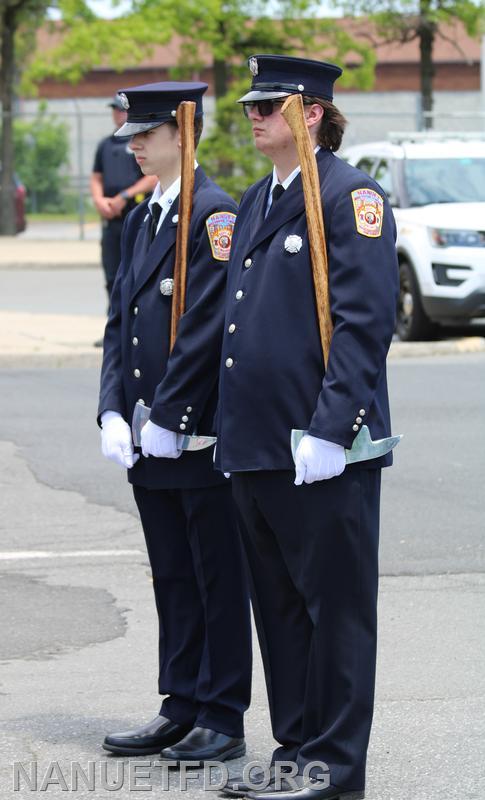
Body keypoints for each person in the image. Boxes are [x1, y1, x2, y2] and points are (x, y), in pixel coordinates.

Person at [215, 55, 399, 800]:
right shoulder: (260, 198)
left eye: (267, 106)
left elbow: (365, 324)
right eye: (250, 107)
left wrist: (330, 428)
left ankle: (335, 769)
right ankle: (296, 751)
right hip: (259, 447)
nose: (253, 117)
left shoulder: (350, 196)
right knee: (283, 613)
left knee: (337, 616)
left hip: (322, 449)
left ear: (311, 113)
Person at [98, 81, 251, 763]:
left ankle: (222, 714)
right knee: (172, 573)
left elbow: (206, 325)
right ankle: (180, 702)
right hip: (144, 430)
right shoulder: (142, 218)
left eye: (146, 134)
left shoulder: (212, 213)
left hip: (193, 429)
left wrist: (171, 413)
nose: (132, 145)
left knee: (215, 574)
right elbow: (119, 321)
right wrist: (108, 406)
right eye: (131, 134)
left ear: (181, 135)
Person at [90, 94, 157, 302]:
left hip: (136, 216)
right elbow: (96, 177)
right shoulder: (106, 145)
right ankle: (113, 329)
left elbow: (153, 178)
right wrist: (100, 200)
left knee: (136, 275)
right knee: (112, 277)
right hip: (112, 219)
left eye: (120, 109)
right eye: (114, 110)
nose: (117, 114)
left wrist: (124, 196)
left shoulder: (140, 142)